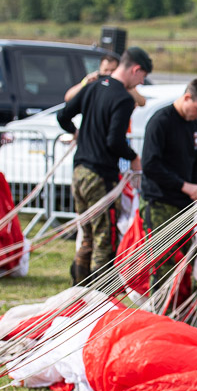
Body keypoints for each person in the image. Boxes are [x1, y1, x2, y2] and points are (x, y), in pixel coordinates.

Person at [57, 46, 152, 285]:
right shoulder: (121, 98)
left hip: (79, 171)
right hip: (100, 175)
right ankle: (101, 298)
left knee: (87, 236)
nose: (139, 84)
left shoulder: (92, 87)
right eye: (141, 78)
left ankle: (78, 291)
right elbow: (114, 141)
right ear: (135, 69)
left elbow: (62, 116)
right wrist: (133, 156)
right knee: (104, 239)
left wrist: (77, 133)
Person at [140, 78, 197, 286]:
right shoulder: (160, 121)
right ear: (187, 97)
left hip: (185, 204)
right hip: (160, 202)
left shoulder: (195, 127)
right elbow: (150, 165)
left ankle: (182, 309)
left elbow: (195, 163)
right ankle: (160, 313)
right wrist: (183, 185)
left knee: (189, 259)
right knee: (162, 262)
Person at [64, 51, 145, 108]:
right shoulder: (94, 83)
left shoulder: (123, 85)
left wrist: (126, 86)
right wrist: (85, 82)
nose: (109, 74)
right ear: (100, 69)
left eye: (112, 70)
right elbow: (68, 97)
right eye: (106, 70)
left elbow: (142, 102)